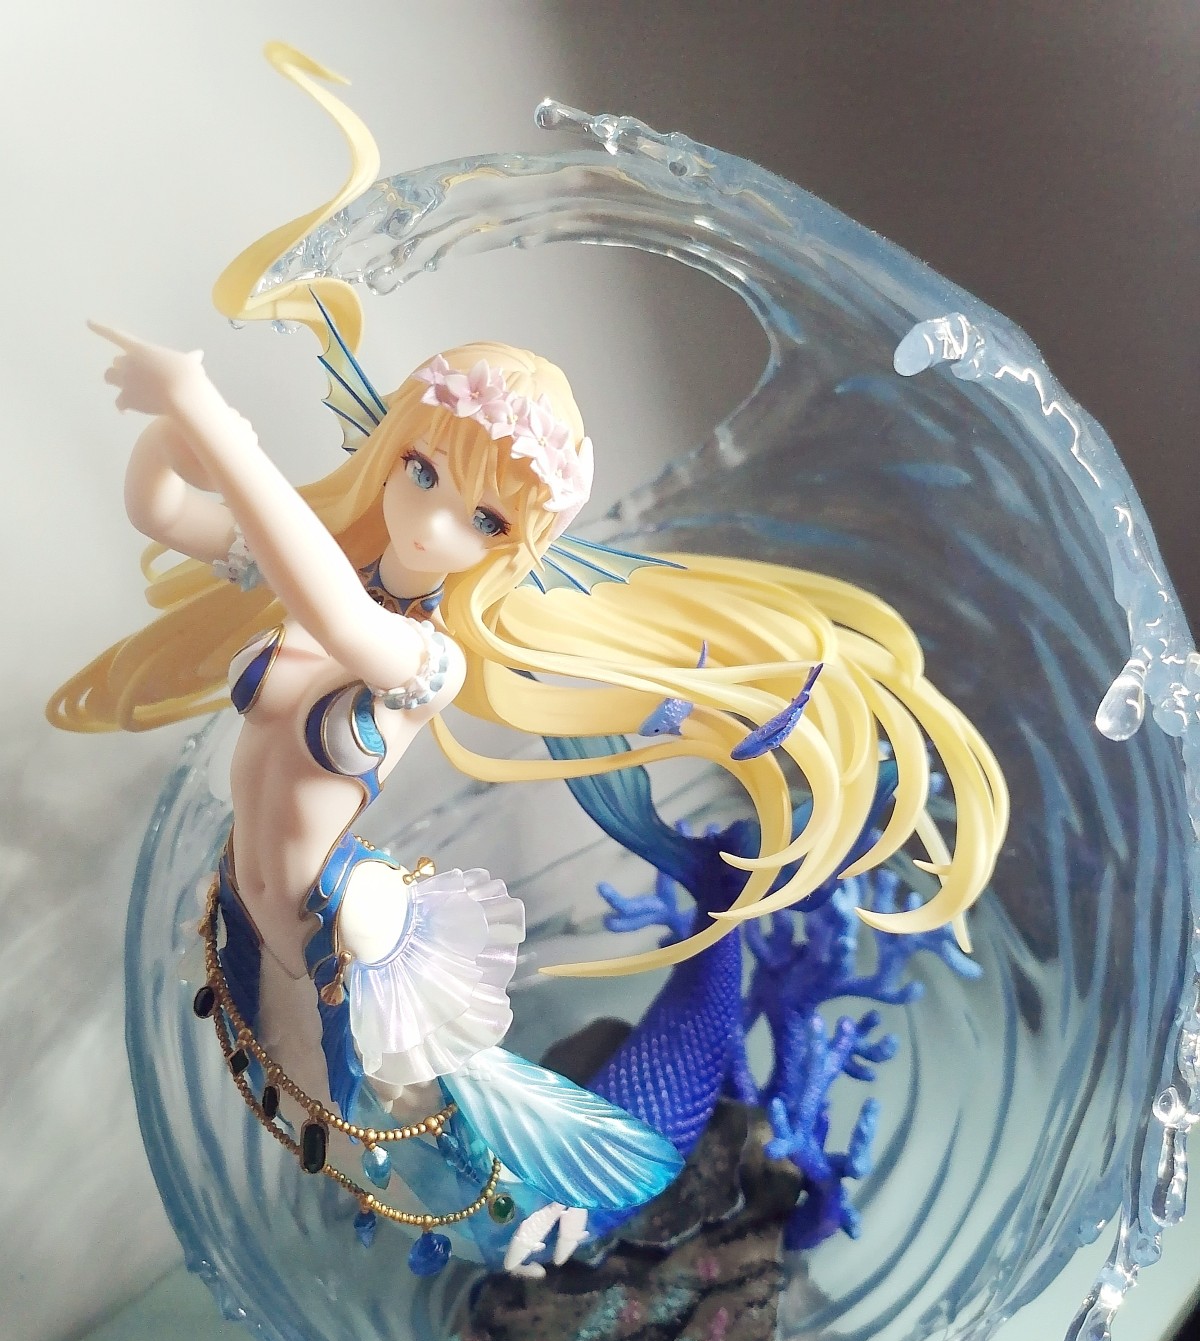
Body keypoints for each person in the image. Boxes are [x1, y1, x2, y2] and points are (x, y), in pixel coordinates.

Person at [49, 45, 1007, 1276]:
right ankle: (547, 1225)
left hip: (347, 932)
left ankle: (567, 1224)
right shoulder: (325, 571)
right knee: (354, 1133)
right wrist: (164, 429)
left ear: (511, 549)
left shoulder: (422, 655)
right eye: (422, 470)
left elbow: (323, 600)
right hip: (262, 919)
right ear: (393, 450)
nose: (434, 521)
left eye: (485, 518)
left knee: (435, 1154)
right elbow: (168, 514)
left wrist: (213, 416)